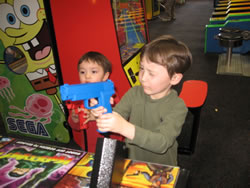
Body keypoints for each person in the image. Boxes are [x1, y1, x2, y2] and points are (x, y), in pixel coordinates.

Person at [91, 35, 192, 166]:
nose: (143, 77)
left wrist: (124, 127)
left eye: (152, 73)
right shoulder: (134, 93)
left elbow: (162, 143)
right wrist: (102, 112)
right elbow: (117, 116)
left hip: (161, 167)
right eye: (142, 68)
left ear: (174, 78)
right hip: (132, 162)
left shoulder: (177, 106)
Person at [67, 51, 123, 153]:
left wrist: (96, 116)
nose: (87, 76)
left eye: (93, 72)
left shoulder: (110, 95)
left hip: (111, 144)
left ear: (105, 76)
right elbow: (76, 127)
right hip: (88, 147)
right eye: (82, 72)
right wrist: (74, 118)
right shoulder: (80, 96)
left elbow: (119, 116)